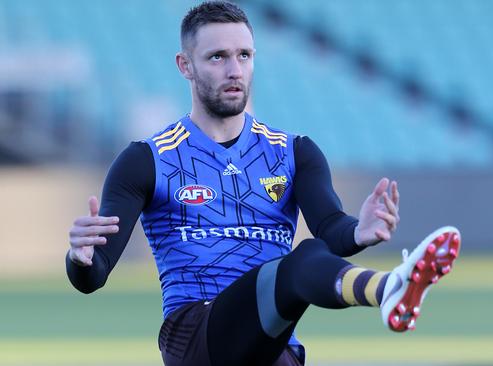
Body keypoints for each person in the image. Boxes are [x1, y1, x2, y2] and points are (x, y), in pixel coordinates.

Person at [65, 2, 461, 365]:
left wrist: (359, 231)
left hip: (273, 344)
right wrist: (79, 258)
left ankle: (393, 288)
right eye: (217, 57)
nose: (234, 70)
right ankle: (389, 287)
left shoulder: (295, 152)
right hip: (194, 336)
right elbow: (93, 276)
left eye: (244, 55)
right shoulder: (146, 160)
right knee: (301, 259)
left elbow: (332, 231)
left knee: (305, 258)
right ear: (185, 65)